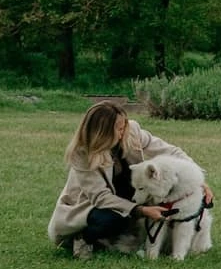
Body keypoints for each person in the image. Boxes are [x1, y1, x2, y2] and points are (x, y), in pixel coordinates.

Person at [49, 101, 212, 256]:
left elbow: (171, 151)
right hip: (92, 205)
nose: (123, 131)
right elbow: (101, 197)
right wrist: (141, 210)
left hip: (129, 194)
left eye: (124, 125)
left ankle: (127, 239)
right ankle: (83, 238)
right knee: (112, 218)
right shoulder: (82, 153)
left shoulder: (132, 130)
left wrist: (197, 180)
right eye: (119, 129)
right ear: (103, 132)